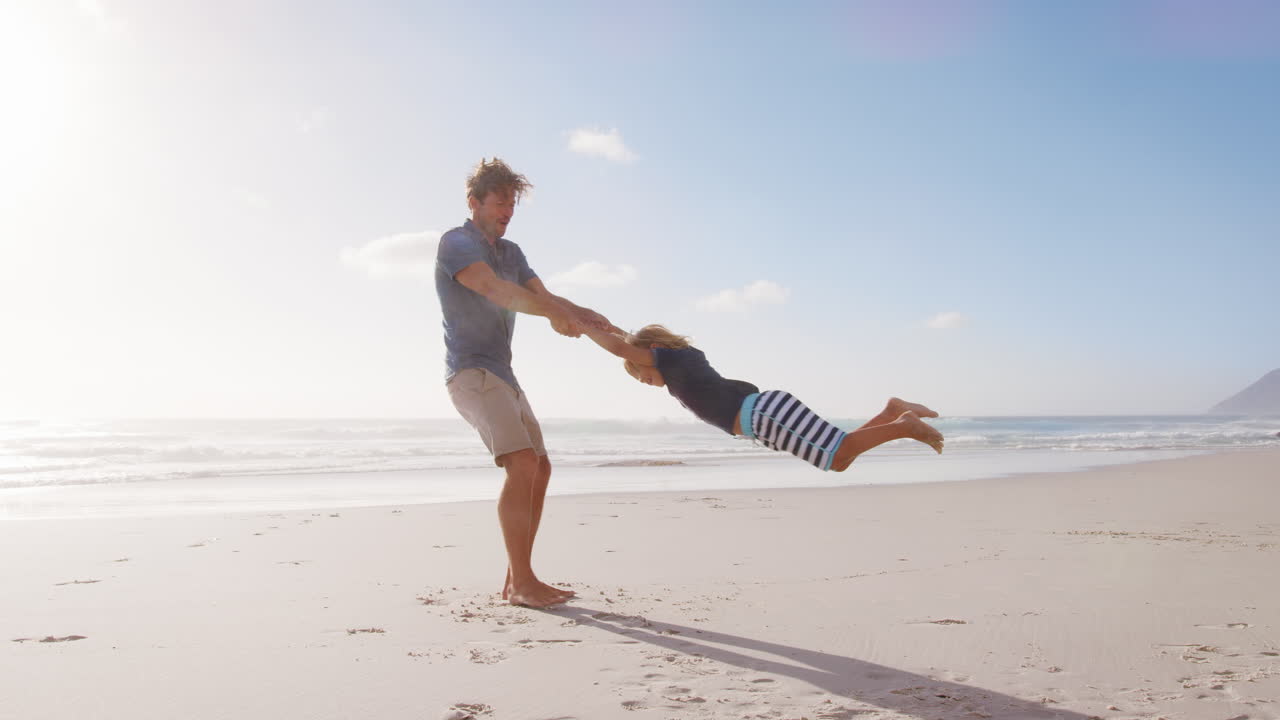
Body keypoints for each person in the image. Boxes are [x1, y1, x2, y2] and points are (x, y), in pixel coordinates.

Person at [436, 158, 615, 609]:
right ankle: (523, 583)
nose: (507, 211)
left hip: (502, 373)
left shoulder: (512, 252)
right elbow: (492, 289)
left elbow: (543, 296)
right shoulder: (456, 243)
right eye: (500, 202)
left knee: (540, 467)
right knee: (520, 463)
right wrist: (555, 314)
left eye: (512, 203)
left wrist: (582, 314)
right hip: (471, 371)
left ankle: (519, 577)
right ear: (474, 202)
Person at [585, 325, 944, 471]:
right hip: (766, 416)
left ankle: (902, 426)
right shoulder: (687, 361)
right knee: (839, 456)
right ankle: (892, 411)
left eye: (643, 372)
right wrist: (602, 323)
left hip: (764, 415)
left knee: (839, 454)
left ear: (656, 350)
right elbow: (624, 340)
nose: (647, 381)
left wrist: (579, 322)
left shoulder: (674, 361)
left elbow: (621, 346)